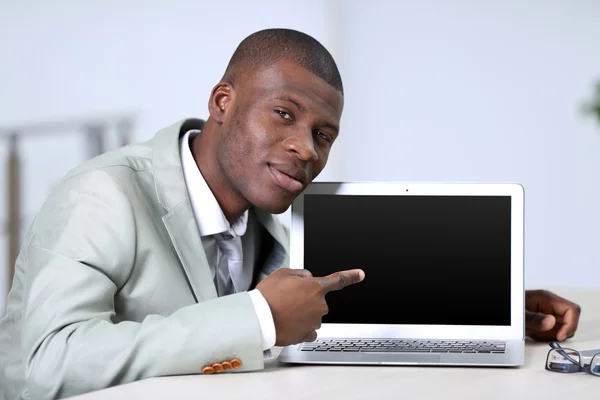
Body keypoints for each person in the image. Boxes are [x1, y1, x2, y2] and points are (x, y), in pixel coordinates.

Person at [0, 28, 581, 400]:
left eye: (323, 134)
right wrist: (256, 318)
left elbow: (333, 299)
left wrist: (496, 305)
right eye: (284, 113)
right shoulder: (102, 195)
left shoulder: (272, 209)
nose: (307, 148)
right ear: (222, 102)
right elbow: (47, 366)